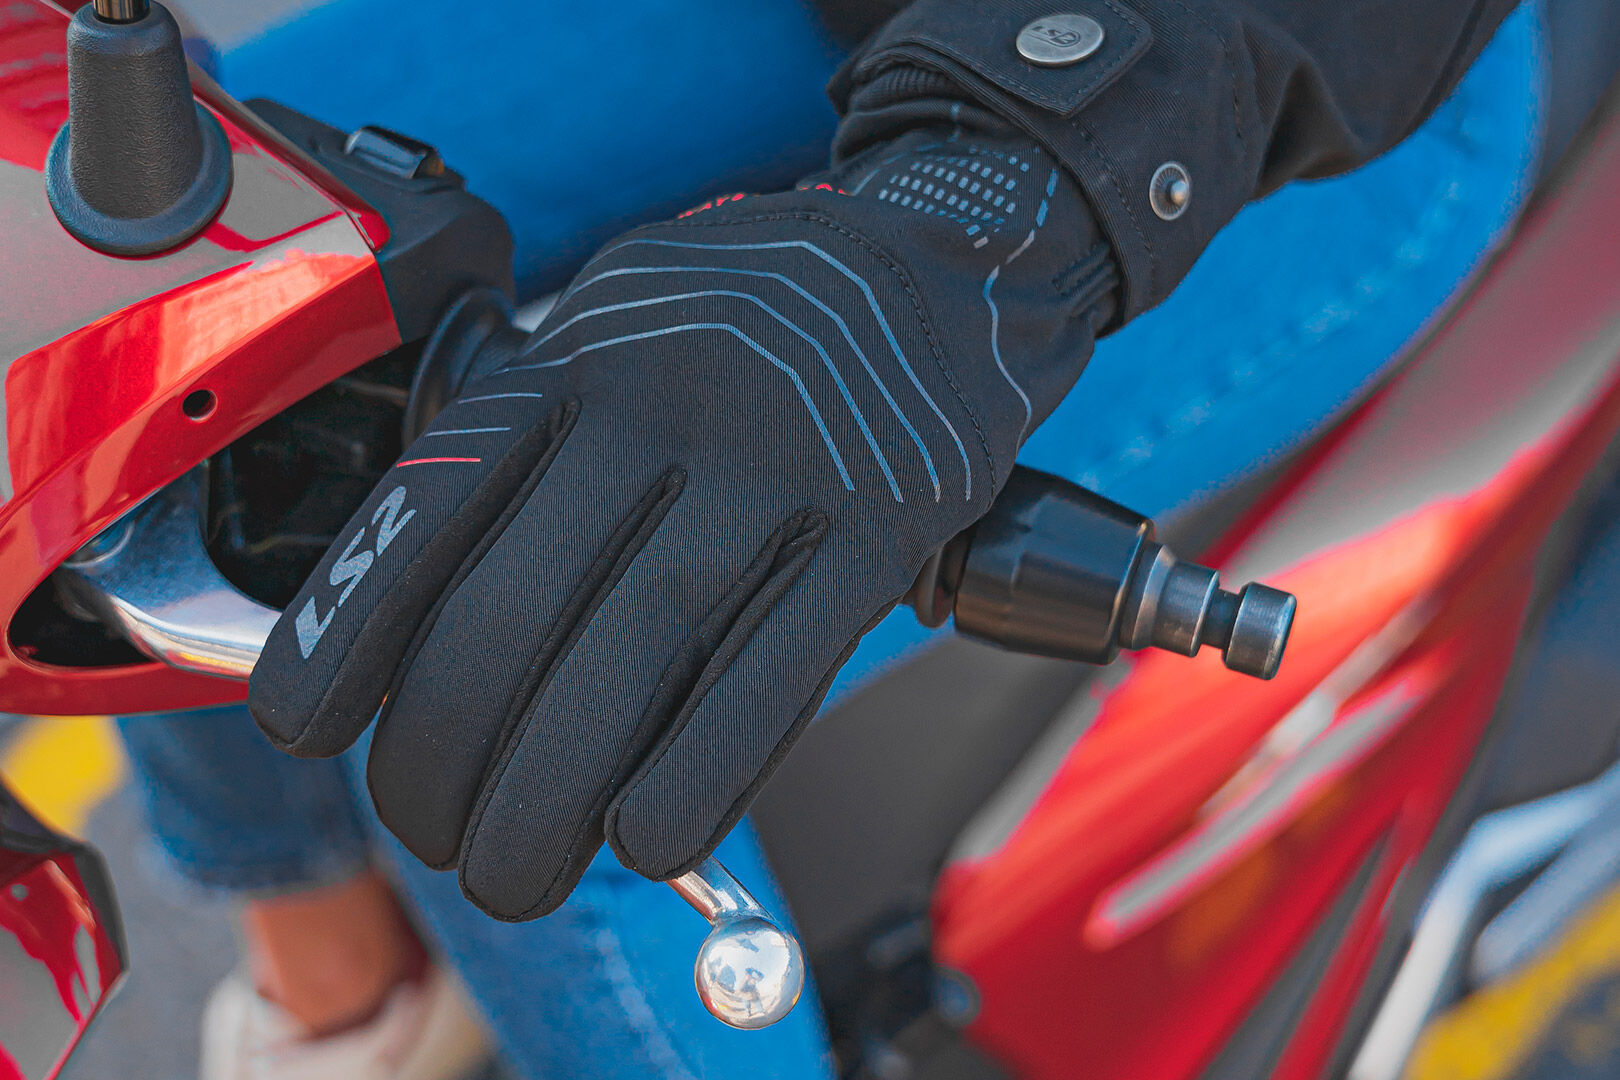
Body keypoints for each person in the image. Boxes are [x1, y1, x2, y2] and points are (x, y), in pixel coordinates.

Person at [110, 0, 1620, 1077]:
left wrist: (990, 211)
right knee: (168, 290)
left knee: (534, 681)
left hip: (1279, 79)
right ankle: (348, 995)